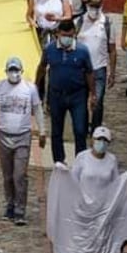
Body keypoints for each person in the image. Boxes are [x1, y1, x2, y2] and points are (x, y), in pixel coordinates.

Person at [0, 56, 46, 225]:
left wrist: (42, 131)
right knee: (7, 176)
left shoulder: (30, 89)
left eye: (16, 70)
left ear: (21, 71)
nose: (14, 73)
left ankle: (20, 210)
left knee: (19, 175)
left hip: (22, 136)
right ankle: (10, 205)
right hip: (3, 136)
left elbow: (37, 109)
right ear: (6, 71)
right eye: (11, 70)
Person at [36, 19, 94, 165]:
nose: (66, 38)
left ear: (74, 33)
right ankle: (59, 162)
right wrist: (36, 86)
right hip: (56, 95)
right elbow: (42, 67)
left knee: (80, 130)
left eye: (69, 35)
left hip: (78, 95)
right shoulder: (49, 49)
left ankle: (80, 162)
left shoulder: (82, 51)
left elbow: (89, 72)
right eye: (63, 35)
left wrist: (93, 93)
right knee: (56, 131)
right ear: (57, 34)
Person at [77, 0, 116, 130]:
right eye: (91, 6)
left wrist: (112, 72)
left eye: (97, 7)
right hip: (81, 69)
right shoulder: (80, 22)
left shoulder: (107, 23)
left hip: (99, 68)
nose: (94, 10)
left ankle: (96, 128)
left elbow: (112, 50)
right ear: (87, 6)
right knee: (81, 102)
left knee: (98, 101)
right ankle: (82, 127)